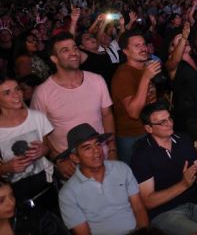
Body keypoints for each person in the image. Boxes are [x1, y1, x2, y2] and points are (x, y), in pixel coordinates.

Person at [130, 101, 197, 235]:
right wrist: (183, 184)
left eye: (169, 118)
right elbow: (148, 201)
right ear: (149, 128)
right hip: (165, 212)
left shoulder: (183, 139)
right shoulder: (141, 155)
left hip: (195, 201)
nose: (169, 123)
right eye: (162, 122)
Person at [31, 32, 117, 178]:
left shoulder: (97, 80)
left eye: (75, 48)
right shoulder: (42, 93)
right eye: (65, 50)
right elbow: (39, 133)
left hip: (103, 158)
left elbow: (107, 116)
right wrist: (58, 158)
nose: (74, 53)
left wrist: (113, 149)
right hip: (72, 167)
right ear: (54, 59)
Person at [58, 123, 148, 235]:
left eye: (98, 144)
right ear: (75, 158)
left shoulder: (121, 169)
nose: (96, 151)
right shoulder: (67, 194)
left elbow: (139, 208)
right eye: (87, 148)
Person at [0, 75, 58, 217]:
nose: (16, 95)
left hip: (46, 184)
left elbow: (49, 149)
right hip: (14, 196)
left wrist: (44, 150)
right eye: (7, 93)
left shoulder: (37, 117)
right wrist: (6, 168)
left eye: (17, 89)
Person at [111, 30, 161, 164]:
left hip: (149, 130)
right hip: (133, 136)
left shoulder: (145, 68)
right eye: (137, 46)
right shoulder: (123, 74)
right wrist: (146, 77)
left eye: (144, 44)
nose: (143, 48)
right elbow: (133, 112)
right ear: (126, 51)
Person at [166, 22, 197, 138]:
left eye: (185, 39)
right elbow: (174, 61)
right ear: (172, 47)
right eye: (179, 40)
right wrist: (184, 37)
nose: (184, 41)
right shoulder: (171, 63)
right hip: (188, 115)